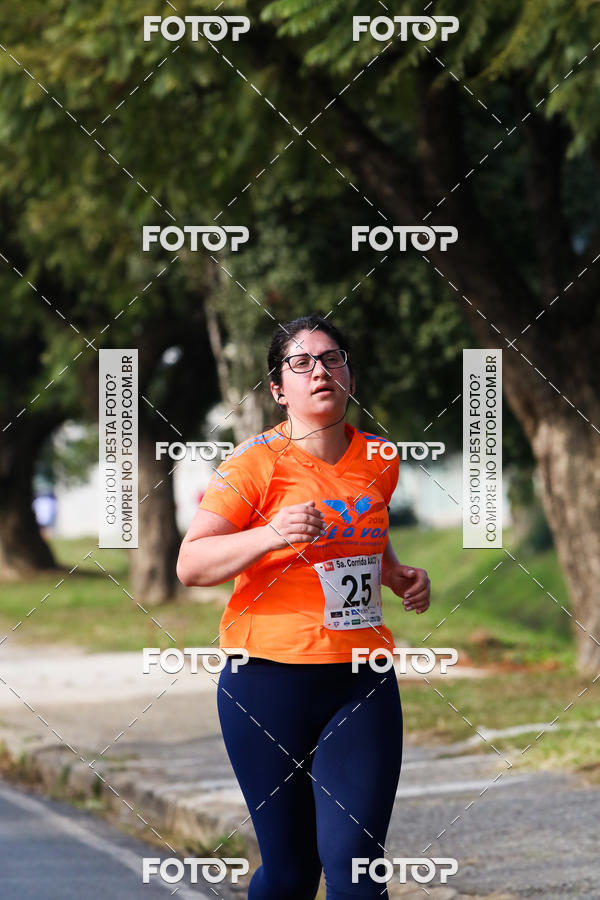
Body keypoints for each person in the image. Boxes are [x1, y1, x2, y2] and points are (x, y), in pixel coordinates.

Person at [177, 313, 431, 899]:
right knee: (291, 875)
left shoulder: (380, 457)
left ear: (349, 375)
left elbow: (366, 527)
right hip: (266, 684)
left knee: (358, 872)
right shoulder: (253, 464)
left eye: (332, 358)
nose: (320, 371)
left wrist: (394, 574)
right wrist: (271, 534)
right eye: (301, 363)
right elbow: (191, 565)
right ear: (278, 389)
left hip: (361, 680)